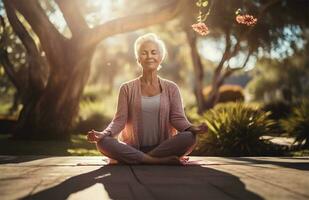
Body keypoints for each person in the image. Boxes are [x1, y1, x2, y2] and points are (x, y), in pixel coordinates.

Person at [87, 33, 208, 165]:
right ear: (138, 59)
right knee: (103, 143)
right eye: (144, 53)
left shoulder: (171, 88)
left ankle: (142, 158)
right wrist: (103, 134)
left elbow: (177, 118)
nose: (149, 56)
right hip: (132, 147)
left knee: (189, 137)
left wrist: (193, 128)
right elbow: (119, 121)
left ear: (160, 57)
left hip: (163, 147)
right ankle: (155, 161)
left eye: (153, 52)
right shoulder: (127, 88)